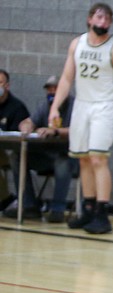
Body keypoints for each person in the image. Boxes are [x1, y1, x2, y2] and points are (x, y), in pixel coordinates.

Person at [49, 2, 113, 234]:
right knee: (84, 159)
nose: (103, 21)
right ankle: (88, 208)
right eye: (99, 17)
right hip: (82, 105)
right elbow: (67, 79)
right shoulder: (76, 44)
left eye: (107, 18)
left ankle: (102, 212)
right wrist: (55, 108)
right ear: (89, 19)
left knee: (98, 159)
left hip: (104, 106)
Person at [14, 76, 75, 222]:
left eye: (56, 89)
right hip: (48, 155)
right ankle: (29, 206)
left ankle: (58, 209)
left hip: (72, 156)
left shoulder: (76, 105)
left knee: (62, 162)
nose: (52, 92)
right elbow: (30, 121)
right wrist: (26, 125)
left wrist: (55, 131)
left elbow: (78, 130)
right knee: (16, 157)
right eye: (49, 89)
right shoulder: (45, 107)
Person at [0, 68, 33, 211]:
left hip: (12, 152)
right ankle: (5, 198)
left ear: (7, 85)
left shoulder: (17, 107)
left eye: (0, 82)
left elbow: (17, 137)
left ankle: (6, 199)